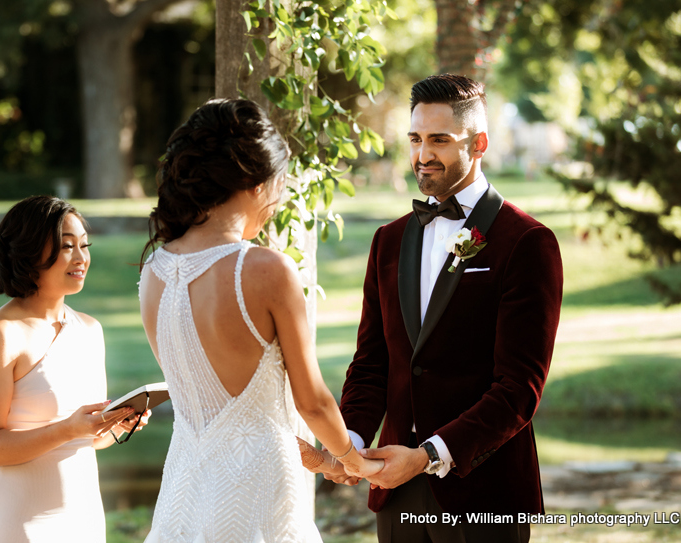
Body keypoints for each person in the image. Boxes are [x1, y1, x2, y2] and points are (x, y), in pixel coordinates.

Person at [329, 74, 564, 543]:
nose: (422, 155)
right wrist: (350, 443)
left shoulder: (526, 242)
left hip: (484, 492)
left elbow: (519, 389)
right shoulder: (388, 241)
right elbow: (373, 361)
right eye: (415, 139)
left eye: (439, 140)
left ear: (478, 143)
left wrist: (430, 454)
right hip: (395, 496)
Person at [137, 98, 382, 543]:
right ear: (255, 183)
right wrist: (349, 458)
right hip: (259, 493)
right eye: (279, 183)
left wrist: (326, 459)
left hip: (183, 491)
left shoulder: (152, 271)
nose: (279, 197)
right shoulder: (265, 270)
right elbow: (313, 402)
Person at [0, 196, 149, 543]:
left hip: (83, 515)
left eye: (84, 245)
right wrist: (68, 429)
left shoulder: (91, 330)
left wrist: (117, 424)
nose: (81, 258)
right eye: (67, 247)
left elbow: (90, 438)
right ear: (31, 252)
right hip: (17, 519)